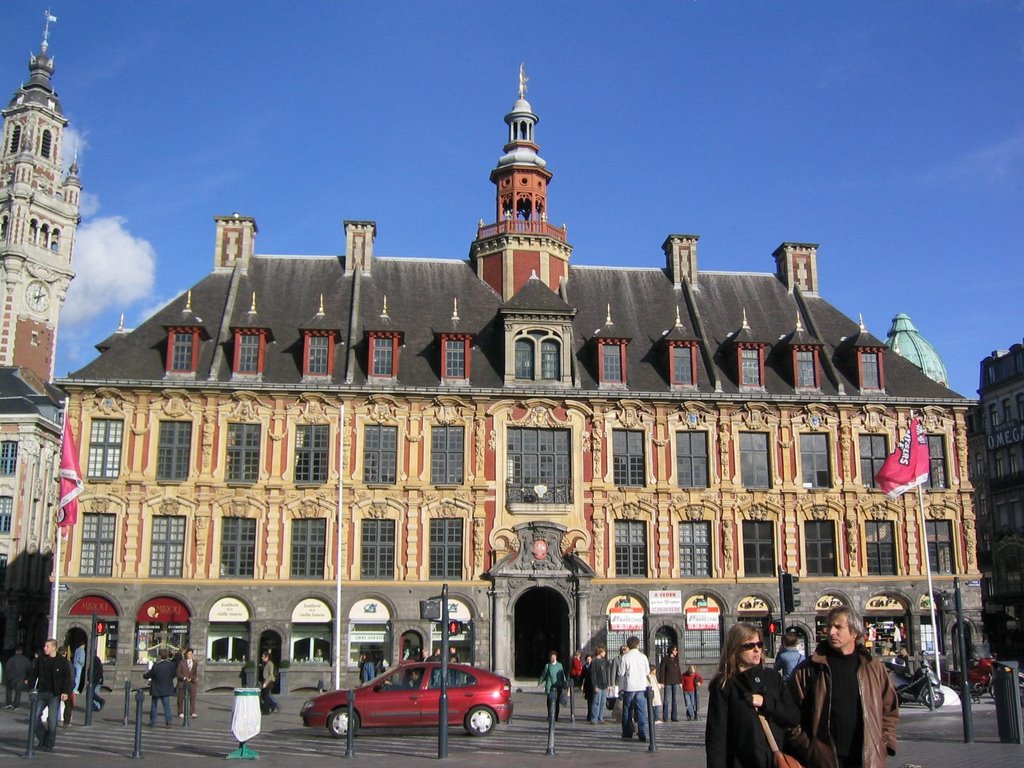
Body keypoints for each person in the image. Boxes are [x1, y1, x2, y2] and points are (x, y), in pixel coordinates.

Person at [788, 605, 899, 768]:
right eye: (829, 627)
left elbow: (889, 709)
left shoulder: (873, 667)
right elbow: (790, 713)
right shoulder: (809, 669)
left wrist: (884, 743)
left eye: (838, 627)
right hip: (824, 760)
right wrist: (808, 747)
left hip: (866, 759)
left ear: (854, 632)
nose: (831, 632)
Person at [705, 622, 800, 768]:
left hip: (775, 761)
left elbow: (793, 717)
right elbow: (717, 737)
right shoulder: (724, 685)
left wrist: (766, 703)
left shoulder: (773, 678)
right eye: (749, 646)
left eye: (759, 644)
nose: (756, 650)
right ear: (735, 649)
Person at [30, 639, 73, 752]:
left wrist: (65, 692)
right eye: (45, 646)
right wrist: (31, 688)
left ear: (54, 647)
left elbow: (67, 678)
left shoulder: (62, 661)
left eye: (47, 646)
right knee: (34, 717)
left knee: (52, 721)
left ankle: (49, 744)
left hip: (54, 693)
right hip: (41, 692)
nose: (45, 648)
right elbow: (34, 674)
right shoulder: (41, 659)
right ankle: (43, 737)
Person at [616, 635, 651, 742]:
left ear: (628, 645)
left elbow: (620, 673)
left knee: (627, 710)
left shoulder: (625, 657)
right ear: (638, 644)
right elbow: (647, 671)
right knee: (641, 711)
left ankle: (627, 732)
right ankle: (642, 733)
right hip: (641, 686)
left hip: (629, 687)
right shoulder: (643, 656)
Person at [144, 648, 178, 727]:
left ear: (159, 655)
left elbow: (149, 674)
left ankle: (153, 722)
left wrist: (144, 676)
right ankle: (168, 721)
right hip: (166, 687)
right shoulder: (171, 665)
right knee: (167, 705)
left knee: (154, 706)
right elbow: (174, 674)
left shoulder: (156, 666)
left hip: (156, 688)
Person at [538, 650, 568, 722]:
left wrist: (564, 683)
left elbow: (562, 675)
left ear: (556, 657)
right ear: (550, 658)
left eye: (554, 657)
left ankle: (556, 716)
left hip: (558, 685)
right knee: (549, 701)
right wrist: (540, 681)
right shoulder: (547, 665)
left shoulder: (559, 665)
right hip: (550, 686)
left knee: (557, 702)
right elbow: (544, 674)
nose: (553, 658)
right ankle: (550, 715)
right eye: (552, 657)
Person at [658, 644, 682, 721]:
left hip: (675, 681)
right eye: (675, 650)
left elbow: (678, 671)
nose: (676, 652)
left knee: (675, 700)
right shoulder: (665, 659)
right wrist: (662, 681)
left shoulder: (676, 659)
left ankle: (674, 717)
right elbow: (662, 671)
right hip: (667, 681)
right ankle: (665, 717)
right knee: (666, 700)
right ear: (671, 650)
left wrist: (680, 681)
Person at [586, 645, 610, 724]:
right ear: (600, 652)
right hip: (598, 685)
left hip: (604, 685)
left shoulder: (605, 661)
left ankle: (600, 717)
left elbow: (607, 673)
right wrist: (595, 685)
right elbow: (593, 675)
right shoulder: (594, 661)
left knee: (603, 702)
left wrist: (608, 684)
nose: (605, 653)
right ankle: (594, 718)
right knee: (596, 702)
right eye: (604, 651)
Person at [4, 645, 31, 709]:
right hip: (21, 678)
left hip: (11, 678)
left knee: (9, 691)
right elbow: (29, 669)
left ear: (15, 651)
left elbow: (7, 668)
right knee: (18, 693)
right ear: (22, 651)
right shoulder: (26, 660)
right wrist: (27, 678)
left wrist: (7, 676)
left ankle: (9, 703)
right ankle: (16, 705)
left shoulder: (11, 659)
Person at [176, 648, 200, 718]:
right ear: (186, 654)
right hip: (183, 682)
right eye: (188, 654)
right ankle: (180, 712)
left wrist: (194, 678)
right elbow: (178, 673)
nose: (190, 655)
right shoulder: (182, 662)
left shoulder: (195, 663)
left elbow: (195, 673)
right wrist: (184, 678)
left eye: (191, 654)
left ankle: (192, 712)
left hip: (192, 682)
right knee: (181, 697)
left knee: (193, 697)